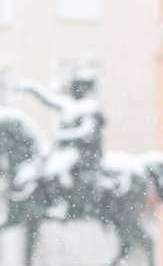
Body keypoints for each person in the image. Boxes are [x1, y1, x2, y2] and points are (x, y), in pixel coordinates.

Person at [18, 67, 106, 217]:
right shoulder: (69, 104)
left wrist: (63, 136)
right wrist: (30, 87)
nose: (75, 88)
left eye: (79, 85)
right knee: (42, 166)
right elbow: (48, 99)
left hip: (82, 152)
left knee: (57, 170)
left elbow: (86, 132)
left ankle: (61, 204)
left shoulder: (90, 108)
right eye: (75, 85)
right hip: (65, 151)